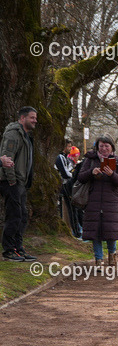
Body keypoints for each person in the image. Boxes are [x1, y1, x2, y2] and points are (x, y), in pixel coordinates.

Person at [78, 136, 118, 267]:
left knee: (110, 230)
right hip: (93, 201)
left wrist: (112, 174)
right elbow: (81, 177)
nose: (104, 148)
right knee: (95, 232)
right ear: (97, 147)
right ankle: (98, 259)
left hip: (111, 202)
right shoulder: (90, 159)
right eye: (101, 146)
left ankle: (112, 256)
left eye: (107, 146)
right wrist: (91, 172)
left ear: (112, 147)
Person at [1, 106, 38, 262]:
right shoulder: (13, 135)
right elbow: (6, 159)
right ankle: (9, 250)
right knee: (15, 215)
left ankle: (18, 248)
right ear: (22, 118)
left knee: (22, 216)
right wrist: (12, 181)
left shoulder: (26, 136)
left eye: (36, 118)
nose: (35, 120)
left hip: (21, 182)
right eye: (32, 117)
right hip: (11, 182)